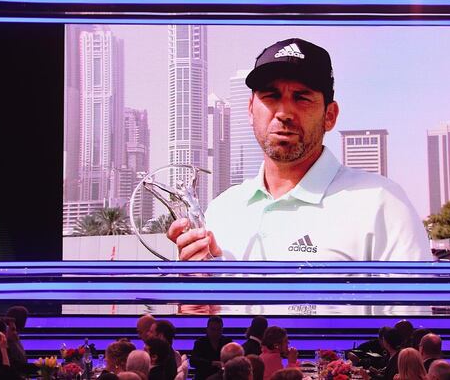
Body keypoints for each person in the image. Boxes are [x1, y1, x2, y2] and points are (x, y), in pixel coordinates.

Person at [167, 38, 431, 262]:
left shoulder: (382, 205)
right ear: (250, 110)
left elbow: (410, 321)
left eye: (302, 97)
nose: (284, 113)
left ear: (330, 115)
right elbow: (205, 319)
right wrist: (198, 287)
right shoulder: (222, 211)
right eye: (270, 96)